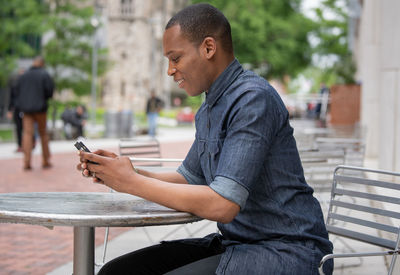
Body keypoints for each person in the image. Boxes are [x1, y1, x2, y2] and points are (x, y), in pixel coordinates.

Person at [78, 4, 333, 274]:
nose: (169, 70)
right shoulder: (209, 107)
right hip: (238, 243)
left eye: (175, 58)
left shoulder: (252, 99)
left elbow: (223, 204)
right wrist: (124, 172)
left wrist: (131, 183)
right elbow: (189, 177)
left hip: (288, 251)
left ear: (209, 48)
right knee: (116, 271)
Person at [17, 56, 54, 170]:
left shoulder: (24, 76)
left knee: (27, 134)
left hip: (26, 110)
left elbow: (18, 91)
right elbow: (49, 92)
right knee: (43, 134)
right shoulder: (45, 74)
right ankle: (45, 160)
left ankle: (26, 162)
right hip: (40, 109)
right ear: (42, 64)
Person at [7, 69, 25, 153]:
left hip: (26, 108)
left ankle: (28, 144)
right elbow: (11, 98)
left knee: (26, 128)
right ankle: (20, 145)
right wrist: (9, 110)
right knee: (18, 128)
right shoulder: (14, 84)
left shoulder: (27, 85)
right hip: (17, 109)